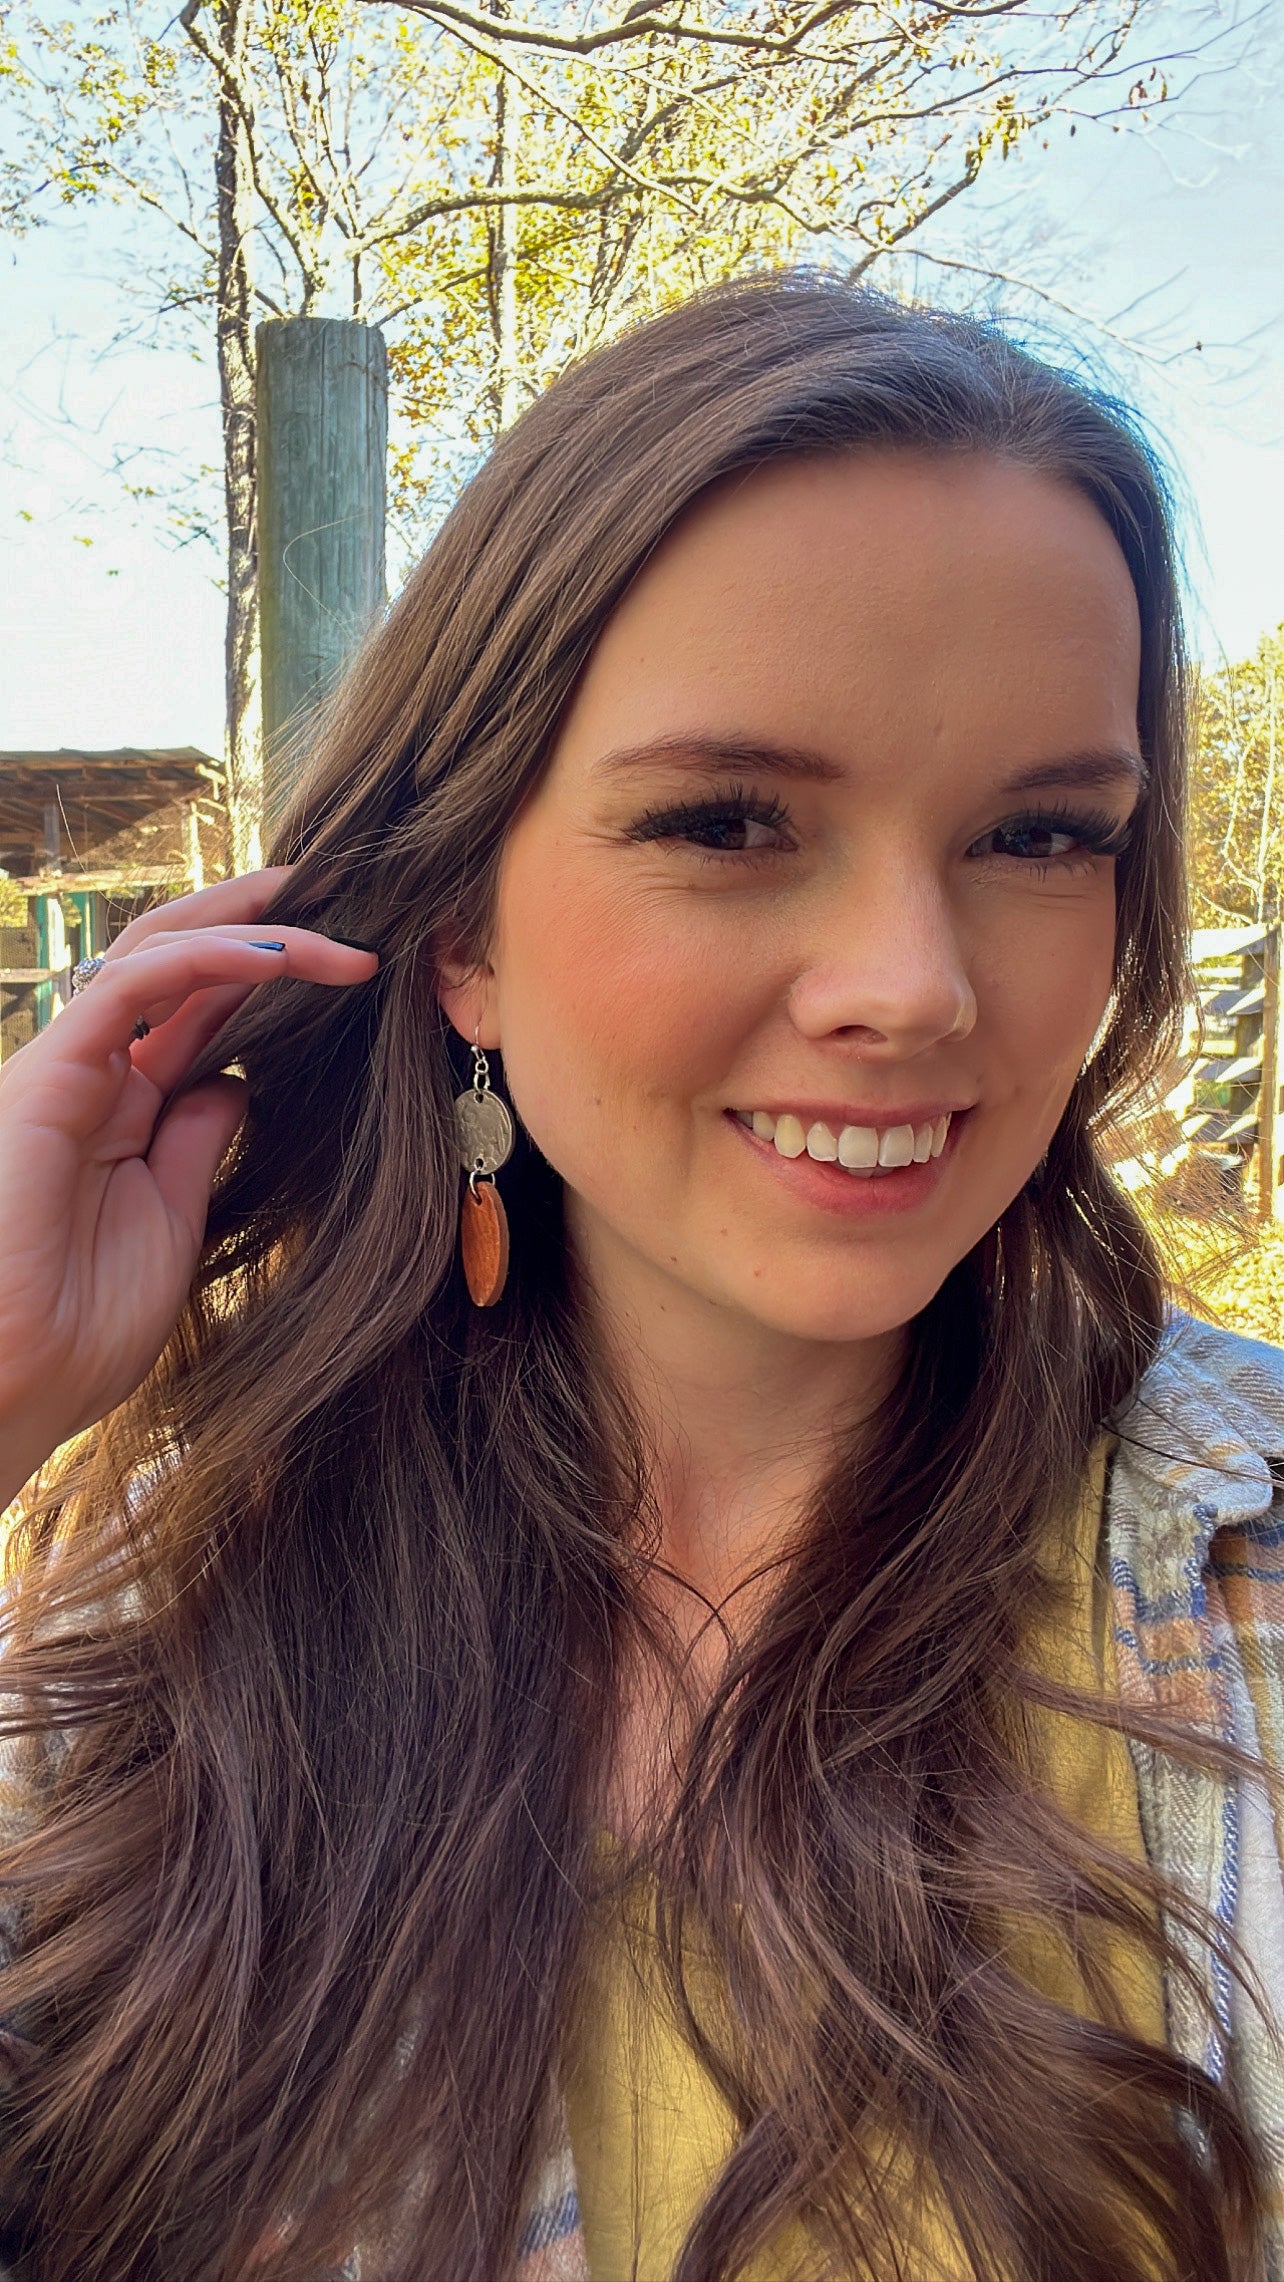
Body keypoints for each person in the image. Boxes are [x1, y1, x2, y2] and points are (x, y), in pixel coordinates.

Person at [0, 274, 1280, 2282]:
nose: (915, 988)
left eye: (1039, 834)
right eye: (728, 822)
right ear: (459, 933)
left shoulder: (1250, 1574)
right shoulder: (156, 1602)